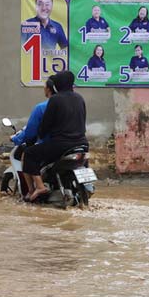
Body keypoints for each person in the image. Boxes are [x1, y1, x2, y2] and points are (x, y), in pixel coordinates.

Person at [19, 71, 88, 202]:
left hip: (61, 145)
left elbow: (46, 125)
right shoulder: (79, 98)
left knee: (29, 154)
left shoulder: (56, 99)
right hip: (82, 144)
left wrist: (40, 134)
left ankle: (39, 187)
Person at [10, 73, 57, 196]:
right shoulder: (71, 105)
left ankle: (32, 190)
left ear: (48, 89)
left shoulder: (41, 107)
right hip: (73, 144)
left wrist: (17, 139)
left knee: (27, 155)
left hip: (49, 145)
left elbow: (30, 131)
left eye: (44, 87)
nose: (43, 89)